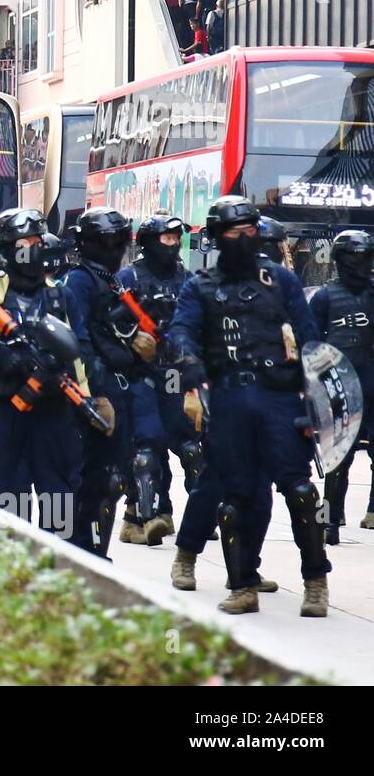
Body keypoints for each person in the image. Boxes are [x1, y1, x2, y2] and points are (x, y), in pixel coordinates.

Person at [167, 196, 328, 616]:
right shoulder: (199, 285)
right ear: (218, 236)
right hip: (229, 399)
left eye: (250, 231)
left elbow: (311, 340)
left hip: (279, 397)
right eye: (235, 232)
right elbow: (181, 332)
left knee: (300, 491)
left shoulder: (281, 281)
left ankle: (315, 581)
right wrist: (190, 367)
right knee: (236, 496)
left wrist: (315, 400)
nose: (244, 239)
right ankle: (242, 585)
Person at [0, 208, 95, 545]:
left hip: (52, 410)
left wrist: (74, 385)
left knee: (59, 497)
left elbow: (83, 351)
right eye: (23, 244)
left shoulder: (60, 295)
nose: (31, 250)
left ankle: (60, 566)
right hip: (2, 404)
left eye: (36, 242)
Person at [65, 207, 145, 557]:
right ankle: (79, 549)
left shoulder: (116, 281)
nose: (113, 248)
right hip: (95, 392)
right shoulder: (80, 281)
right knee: (91, 478)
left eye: (118, 240)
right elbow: (79, 342)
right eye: (105, 241)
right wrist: (95, 394)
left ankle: (95, 553)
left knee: (116, 478)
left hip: (123, 385)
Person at [117, 214, 196, 546]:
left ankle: (198, 512)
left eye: (176, 238)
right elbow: (106, 321)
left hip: (177, 372)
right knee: (147, 447)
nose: (173, 243)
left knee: (192, 448)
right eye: (165, 238)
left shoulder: (188, 279)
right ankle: (146, 516)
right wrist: (132, 337)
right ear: (149, 242)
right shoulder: (128, 278)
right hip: (141, 374)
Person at [308, 230, 374, 544]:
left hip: (372, 377)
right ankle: (330, 521)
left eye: (365, 257)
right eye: (353, 257)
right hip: (340, 383)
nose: (359, 264)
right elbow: (312, 343)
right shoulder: (324, 297)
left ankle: (372, 510)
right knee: (339, 457)